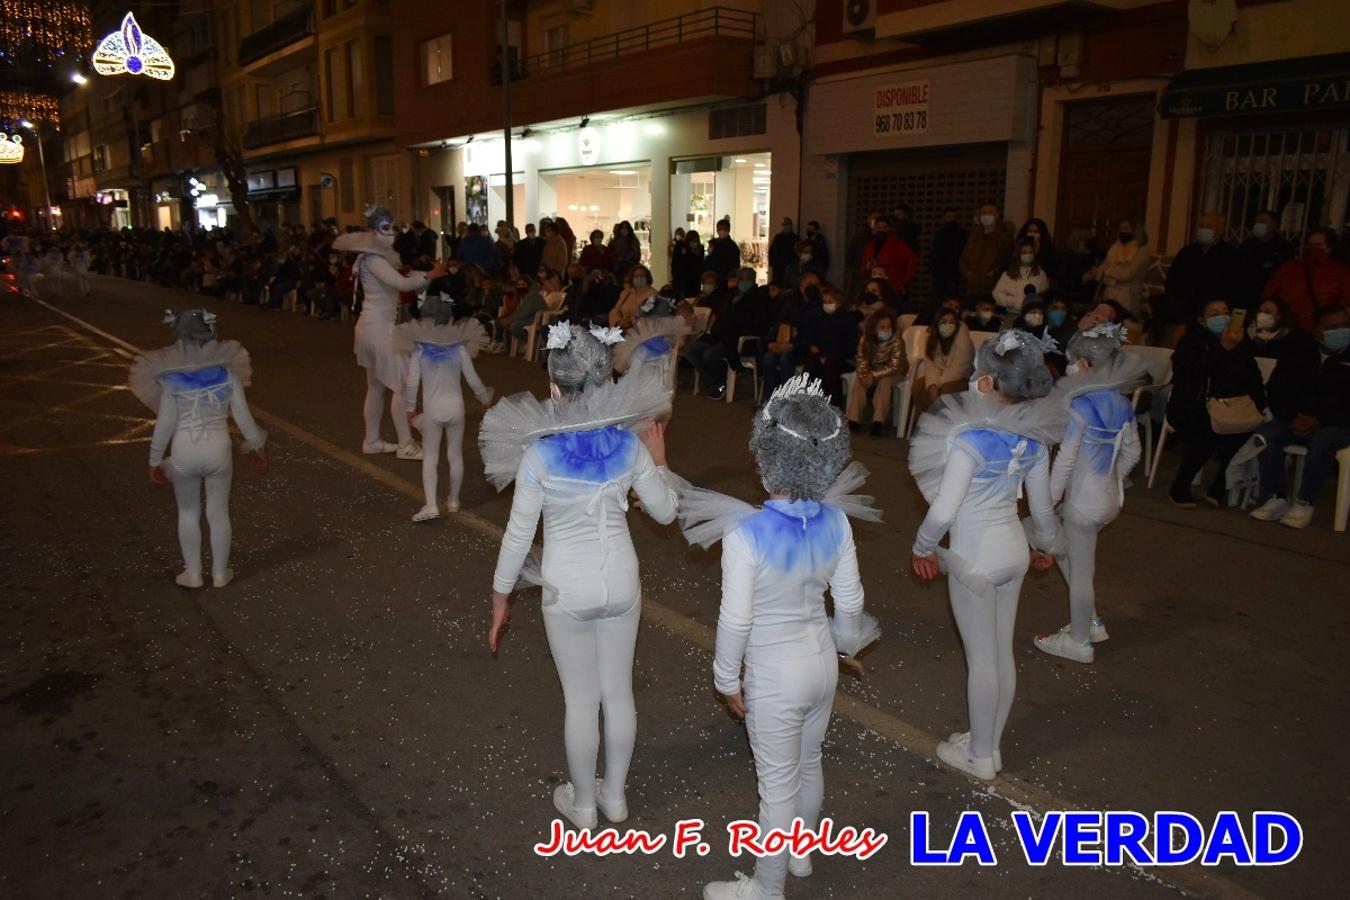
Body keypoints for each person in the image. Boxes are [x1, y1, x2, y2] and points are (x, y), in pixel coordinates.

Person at [676, 374, 881, 900]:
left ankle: (766, 889)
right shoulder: (837, 522)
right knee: (810, 762)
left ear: (767, 461)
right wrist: (845, 645)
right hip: (821, 666)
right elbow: (851, 601)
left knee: (776, 787)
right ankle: (802, 852)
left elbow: (736, 620)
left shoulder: (746, 534)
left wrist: (726, 680)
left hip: (774, 673)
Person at [483, 322, 679, 832]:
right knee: (618, 692)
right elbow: (664, 513)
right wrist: (661, 464)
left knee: (579, 699)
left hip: (567, 585)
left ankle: (585, 805)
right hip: (622, 579)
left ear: (554, 388)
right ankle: (616, 798)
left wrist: (501, 595)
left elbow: (517, 536)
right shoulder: (628, 446)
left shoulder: (540, 455)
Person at [909, 330, 1062, 779]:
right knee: (1001, 652)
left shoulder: (969, 440)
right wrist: (1046, 546)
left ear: (987, 383)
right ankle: (989, 746)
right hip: (1014, 549)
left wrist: (923, 547)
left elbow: (942, 511)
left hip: (975, 556)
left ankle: (978, 757)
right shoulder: (1033, 440)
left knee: (981, 658)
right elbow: (1043, 510)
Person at [130, 309, 269, 590]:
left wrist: (154, 459)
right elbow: (243, 417)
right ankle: (219, 573)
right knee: (218, 512)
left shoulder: (171, 380)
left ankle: (193, 573)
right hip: (219, 449)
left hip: (184, 450)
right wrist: (257, 447)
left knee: (188, 511)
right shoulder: (227, 374)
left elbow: (165, 424)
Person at [1034, 324, 1149, 663]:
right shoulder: (1122, 405)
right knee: (1068, 554)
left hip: (1082, 505)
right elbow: (1133, 453)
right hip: (1109, 501)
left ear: (1083, 365)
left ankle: (1080, 642)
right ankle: (1092, 621)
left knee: (1081, 570)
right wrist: (1113, 479)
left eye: (1073, 362)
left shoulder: (1079, 406)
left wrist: (1047, 502)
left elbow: (1066, 461)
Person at [334, 205, 446, 458]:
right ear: (372, 232)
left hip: (372, 327)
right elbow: (402, 283)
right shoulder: (373, 259)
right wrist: (431, 274)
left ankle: (372, 440)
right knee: (401, 386)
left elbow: (401, 279)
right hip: (378, 329)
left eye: (392, 227)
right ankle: (406, 444)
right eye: (385, 228)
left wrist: (422, 274)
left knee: (377, 387)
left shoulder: (372, 258)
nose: (391, 233)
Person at [1249, 305, 1350, 528]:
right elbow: (1277, 391)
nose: (1341, 331)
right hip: (1298, 419)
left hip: (1340, 425)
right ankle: (1277, 497)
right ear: (1317, 332)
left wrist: (1321, 420)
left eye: (1345, 326)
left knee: (1322, 441)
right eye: (1333, 328)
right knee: (1267, 435)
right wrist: (1293, 417)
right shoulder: (1299, 352)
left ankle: (1305, 501)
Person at [398, 293, 494, 522]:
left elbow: (412, 381)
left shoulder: (420, 350)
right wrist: (483, 396)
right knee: (454, 454)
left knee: (430, 457)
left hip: (433, 409)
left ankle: (431, 504)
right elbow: (472, 379)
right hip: (456, 408)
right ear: (449, 318)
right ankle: (453, 500)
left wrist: (410, 407)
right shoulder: (459, 348)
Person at [1165, 298, 1266, 508]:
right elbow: (1191, 375)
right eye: (1214, 314)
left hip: (1231, 405)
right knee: (1207, 431)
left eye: (1226, 312)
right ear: (1202, 321)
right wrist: (1222, 348)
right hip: (1192, 404)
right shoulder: (1191, 342)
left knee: (1246, 428)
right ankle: (1180, 486)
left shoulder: (1243, 344)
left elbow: (1252, 378)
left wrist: (1258, 406)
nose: (1222, 317)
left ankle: (1219, 485)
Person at [684, 267, 766, 399]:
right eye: (741, 279)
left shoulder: (758, 298)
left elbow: (755, 324)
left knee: (710, 355)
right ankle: (717, 380)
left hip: (737, 338)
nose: (744, 282)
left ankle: (722, 382)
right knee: (691, 351)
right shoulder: (729, 295)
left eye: (747, 280)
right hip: (720, 335)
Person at [1163, 212, 1240, 337]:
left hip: (1214, 320)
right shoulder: (1187, 253)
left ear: (1220, 230)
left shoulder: (1230, 255)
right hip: (1184, 317)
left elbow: (1233, 289)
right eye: (1201, 226)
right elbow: (1172, 284)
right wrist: (1178, 315)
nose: (1203, 229)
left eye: (1209, 226)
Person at [1260, 229, 1350, 331]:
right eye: (1310, 245)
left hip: (1317, 330)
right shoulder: (1290, 267)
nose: (1313, 248)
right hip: (1287, 327)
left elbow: (1345, 305)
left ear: (1330, 248)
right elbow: (1269, 294)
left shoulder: (1341, 273)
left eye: (1318, 245)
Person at [847, 310, 908, 436]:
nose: (886, 329)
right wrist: (865, 375)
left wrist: (873, 375)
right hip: (872, 370)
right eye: (882, 327)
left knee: (885, 381)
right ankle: (853, 419)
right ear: (874, 328)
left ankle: (878, 421)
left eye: (888, 326)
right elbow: (861, 360)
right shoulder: (865, 339)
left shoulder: (897, 339)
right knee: (859, 380)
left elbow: (894, 366)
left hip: (895, 372)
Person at [1083, 217, 1154, 322]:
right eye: (1121, 229)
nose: (1123, 232)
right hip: (1109, 297)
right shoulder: (1115, 248)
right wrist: (1105, 273)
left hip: (1128, 298)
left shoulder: (1143, 251)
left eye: (1126, 229)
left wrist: (1108, 272)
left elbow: (1128, 273)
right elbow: (1102, 269)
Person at [803, 286, 860, 403]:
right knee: (811, 363)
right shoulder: (819, 317)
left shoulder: (847, 320)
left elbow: (849, 346)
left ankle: (834, 401)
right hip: (820, 355)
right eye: (824, 302)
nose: (827, 305)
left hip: (841, 358)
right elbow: (812, 336)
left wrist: (827, 354)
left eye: (830, 302)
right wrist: (813, 346)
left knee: (830, 366)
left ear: (838, 303)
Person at [913, 308, 975, 415]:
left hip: (961, 380)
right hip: (939, 379)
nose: (948, 325)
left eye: (952, 322)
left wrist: (938, 386)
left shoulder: (964, 341)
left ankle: (937, 424)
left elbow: (958, 370)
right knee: (919, 386)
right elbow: (931, 365)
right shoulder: (932, 339)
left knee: (945, 391)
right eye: (944, 322)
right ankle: (920, 424)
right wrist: (932, 385)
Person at [1235, 210, 1294, 311]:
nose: (1258, 225)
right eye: (1257, 222)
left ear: (1274, 225)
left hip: (1269, 298)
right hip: (1244, 297)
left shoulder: (1283, 247)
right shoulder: (1247, 245)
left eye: (1263, 222)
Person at [959, 203, 1013, 300]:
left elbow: (1006, 261)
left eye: (990, 212)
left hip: (993, 289)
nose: (986, 215)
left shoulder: (1004, 237)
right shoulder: (974, 236)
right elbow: (964, 258)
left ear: (996, 215)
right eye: (983, 213)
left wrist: (994, 273)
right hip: (972, 288)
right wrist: (967, 273)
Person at [860, 214, 918, 295]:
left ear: (889, 229)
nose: (881, 230)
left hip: (892, 286)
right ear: (875, 229)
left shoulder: (897, 244)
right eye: (879, 228)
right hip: (874, 287)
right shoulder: (870, 246)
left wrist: (903, 281)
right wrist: (867, 268)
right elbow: (864, 267)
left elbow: (912, 261)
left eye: (884, 228)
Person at [992, 238, 1049, 314]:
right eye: (1024, 252)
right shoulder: (1008, 274)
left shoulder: (1041, 274)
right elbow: (996, 294)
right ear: (1018, 254)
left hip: (1034, 315)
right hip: (1012, 313)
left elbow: (1045, 295)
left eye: (1030, 252)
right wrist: (1013, 302)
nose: (1028, 255)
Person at [931, 209, 969, 304]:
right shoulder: (941, 233)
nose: (951, 220)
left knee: (949, 296)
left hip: (951, 270)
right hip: (943, 270)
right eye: (949, 217)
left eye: (952, 217)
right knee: (942, 296)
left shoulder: (960, 234)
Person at [608, 264, 657, 329]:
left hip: (641, 331)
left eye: (641, 276)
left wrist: (629, 322)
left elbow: (647, 315)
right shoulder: (626, 293)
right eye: (636, 276)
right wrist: (618, 322)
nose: (638, 278)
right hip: (622, 330)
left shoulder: (652, 294)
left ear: (647, 278)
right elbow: (615, 311)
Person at [671, 229, 705, 299]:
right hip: (682, 281)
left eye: (695, 241)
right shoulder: (681, 248)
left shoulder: (700, 250)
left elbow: (700, 265)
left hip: (695, 282)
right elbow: (676, 265)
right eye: (692, 241)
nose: (694, 243)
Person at [706, 218, 741, 283]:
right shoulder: (713, 243)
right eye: (720, 229)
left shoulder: (732, 246)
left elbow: (735, 266)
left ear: (729, 230)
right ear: (717, 230)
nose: (722, 231)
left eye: (725, 229)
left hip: (725, 279)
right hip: (712, 278)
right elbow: (708, 261)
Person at [768, 217, 798, 284]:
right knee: (777, 283)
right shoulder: (777, 237)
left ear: (791, 225)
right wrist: (772, 263)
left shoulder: (795, 238)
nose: (786, 226)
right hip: (777, 267)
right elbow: (771, 251)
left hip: (790, 267)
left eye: (787, 224)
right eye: (784, 224)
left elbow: (797, 254)